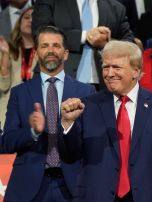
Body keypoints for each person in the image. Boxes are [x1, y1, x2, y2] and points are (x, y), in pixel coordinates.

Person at [60, 40, 152, 202]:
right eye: (105, 67)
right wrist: (68, 124)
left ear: (136, 71)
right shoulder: (87, 106)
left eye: (116, 67)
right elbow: (70, 156)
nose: (109, 73)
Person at [1, 25, 95, 202]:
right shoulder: (19, 93)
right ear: (36, 54)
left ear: (66, 54)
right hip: (28, 186)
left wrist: (68, 127)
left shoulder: (86, 92)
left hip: (72, 184)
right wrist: (32, 131)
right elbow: (6, 143)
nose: (50, 50)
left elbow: (89, 142)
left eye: (56, 45)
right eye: (44, 46)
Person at [32, 0, 134, 89]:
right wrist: (85, 36)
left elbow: (131, 45)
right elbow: (40, 31)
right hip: (55, 80)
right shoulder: (51, 2)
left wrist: (107, 43)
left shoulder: (115, 7)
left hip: (102, 85)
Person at [0, 6, 35, 128]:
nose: (30, 20)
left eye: (34, 18)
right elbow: (3, 86)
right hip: (8, 112)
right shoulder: (7, 50)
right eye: (26, 17)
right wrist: (4, 55)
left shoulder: (45, 52)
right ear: (19, 23)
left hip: (34, 113)